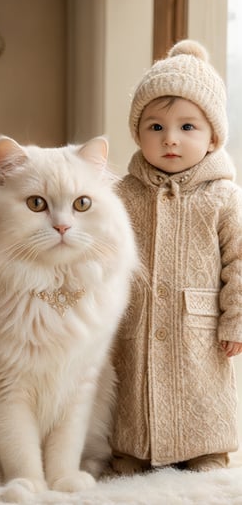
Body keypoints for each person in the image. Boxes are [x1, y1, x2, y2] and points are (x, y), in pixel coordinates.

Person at [110, 39, 242, 473]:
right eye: (155, 127)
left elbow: (239, 259)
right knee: (132, 389)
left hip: (200, 331)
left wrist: (235, 317)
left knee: (201, 392)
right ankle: (132, 448)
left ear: (212, 137)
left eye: (188, 127)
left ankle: (208, 448)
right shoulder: (122, 194)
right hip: (136, 322)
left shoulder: (223, 195)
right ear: (138, 132)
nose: (170, 139)